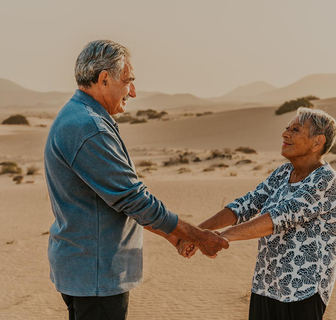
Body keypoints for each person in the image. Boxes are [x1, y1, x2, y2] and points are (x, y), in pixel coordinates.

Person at [44, 39, 229, 320]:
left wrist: (174, 236)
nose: (133, 91)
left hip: (89, 272)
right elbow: (133, 199)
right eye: (128, 81)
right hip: (97, 276)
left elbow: (121, 200)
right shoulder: (89, 126)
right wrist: (198, 236)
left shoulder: (82, 117)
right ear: (104, 79)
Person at [179, 107, 336, 320]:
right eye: (287, 128)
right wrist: (197, 232)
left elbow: (278, 218)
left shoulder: (326, 180)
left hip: (302, 292)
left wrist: (221, 237)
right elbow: (246, 204)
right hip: (266, 285)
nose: (285, 134)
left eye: (295, 129)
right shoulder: (283, 172)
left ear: (317, 142)